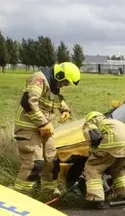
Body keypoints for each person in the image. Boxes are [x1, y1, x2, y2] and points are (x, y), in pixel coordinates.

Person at [13, 62, 78, 198]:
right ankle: (22, 196)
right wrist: (43, 123)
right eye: (65, 82)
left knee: (52, 161)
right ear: (59, 75)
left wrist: (65, 109)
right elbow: (28, 101)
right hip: (29, 128)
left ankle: (48, 193)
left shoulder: (53, 84)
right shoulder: (39, 78)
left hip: (45, 129)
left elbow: (54, 98)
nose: (65, 85)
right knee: (34, 164)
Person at [81, 111, 125, 208]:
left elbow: (94, 138)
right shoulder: (113, 122)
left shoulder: (90, 122)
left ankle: (95, 199)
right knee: (117, 169)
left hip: (113, 142)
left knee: (93, 168)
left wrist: (92, 153)